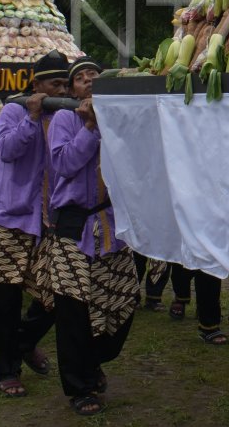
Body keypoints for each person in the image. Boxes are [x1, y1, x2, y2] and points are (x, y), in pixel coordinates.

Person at [46, 56, 139, 417]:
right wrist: (90, 127)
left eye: (94, 75)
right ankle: (79, 387)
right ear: (72, 90)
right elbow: (65, 164)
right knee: (73, 308)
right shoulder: (64, 119)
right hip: (72, 224)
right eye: (80, 78)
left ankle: (94, 359)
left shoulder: (120, 119)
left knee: (125, 297)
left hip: (112, 223)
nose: (87, 81)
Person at [0, 50, 70, 397]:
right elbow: (6, 150)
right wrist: (31, 119)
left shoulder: (65, 116)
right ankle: (7, 371)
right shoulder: (14, 111)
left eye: (64, 83)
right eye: (53, 83)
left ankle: (24, 341)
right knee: (5, 298)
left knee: (55, 293)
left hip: (49, 219)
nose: (60, 89)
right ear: (36, 84)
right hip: (9, 218)